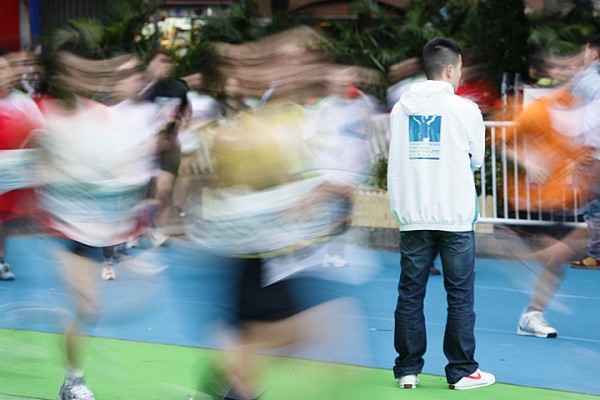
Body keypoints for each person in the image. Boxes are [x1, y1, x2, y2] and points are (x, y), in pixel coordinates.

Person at [37, 53, 159, 400]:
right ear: (59, 77)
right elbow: (40, 166)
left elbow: (123, 168)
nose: (81, 76)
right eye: (72, 71)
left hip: (96, 223)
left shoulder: (103, 116)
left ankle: (71, 377)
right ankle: (73, 381)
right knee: (87, 305)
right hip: (65, 226)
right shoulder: (44, 115)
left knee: (88, 308)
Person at [387, 37, 495, 390]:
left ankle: (407, 370)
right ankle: (461, 371)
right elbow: (476, 159)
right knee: (459, 295)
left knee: (410, 292)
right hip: (454, 214)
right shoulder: (465, 109)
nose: (461, 74)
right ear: (450, 69)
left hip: (413, 213)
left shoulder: (400, 109)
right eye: (460, 68)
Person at [140, 50, 191, 246]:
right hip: (144, 148)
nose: (167, 66)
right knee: (145, 191)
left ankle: (160, 231)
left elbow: (186, 108)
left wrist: (182, 126)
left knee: (165, 188)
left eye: (169, 62)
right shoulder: (142, 89)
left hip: (169, 145)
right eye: (162, 61)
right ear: (150, 65)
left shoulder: (178, 88)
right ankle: (140, 229)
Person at [0, 54, 44, 280]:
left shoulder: (23, 102)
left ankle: (0, 259)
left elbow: (40, 134)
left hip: (9, 176)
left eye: (4, 69)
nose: (2, 75)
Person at [569, 34, 600, 269]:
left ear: (593, 52)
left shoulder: (587, 78)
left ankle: (596, 254)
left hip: (592, 152)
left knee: (594, 207)